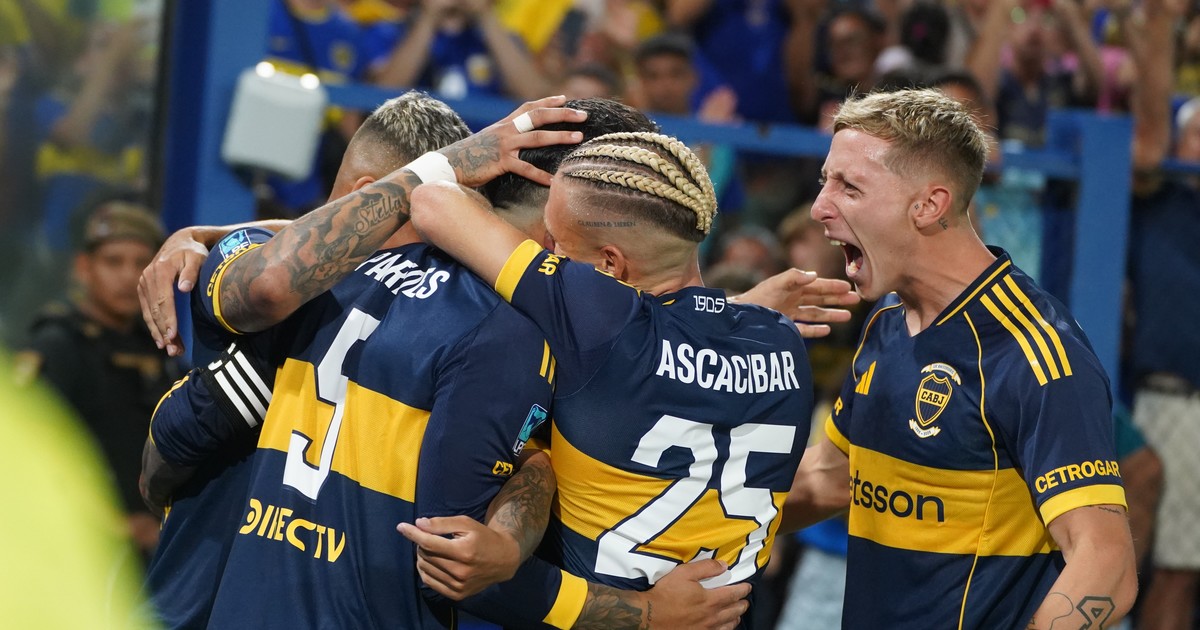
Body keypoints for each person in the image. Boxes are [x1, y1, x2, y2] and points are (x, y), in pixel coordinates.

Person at [141, 96, 762, 629]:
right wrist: (642, 614)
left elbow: (159, 461)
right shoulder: (514, 333)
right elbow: (457, 567)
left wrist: (202, 235)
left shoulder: (329, 270)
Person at [394, 127, 815, 628]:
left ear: (610, 264)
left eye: (556, 242)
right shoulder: (782, 338)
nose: (546, 248)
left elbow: (433, 201)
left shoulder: (599, 315)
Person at [782, 88, 1137, 628]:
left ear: (929, 205)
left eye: (849, 187)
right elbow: (828, 479)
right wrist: (680, 523)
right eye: (825, 181)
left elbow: (1106, 563)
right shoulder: (887, 323)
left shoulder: (1034, 351)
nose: (819, 208)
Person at [16, 199, 181, 558]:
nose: (128, 276)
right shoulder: (59, 345)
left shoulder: (161, 350)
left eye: (141, 263)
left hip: (146, 553)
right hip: (71, 546)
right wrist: (114, 525)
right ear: (83, 267)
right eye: (113, 262)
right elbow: (25, 458)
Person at [1122, 2, 1200, 627]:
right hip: (1174, 398)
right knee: (1170, 568)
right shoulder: (1160, 195)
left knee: (1183, 571)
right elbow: (1148, 134)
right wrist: (1158, 26)